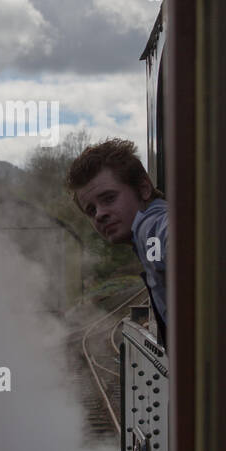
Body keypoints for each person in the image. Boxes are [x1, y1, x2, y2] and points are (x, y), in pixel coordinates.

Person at [66, 138, 168, 349]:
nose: (100, 214)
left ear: (143, 189)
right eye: (91, 210)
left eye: (109, 198)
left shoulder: (149, 226)